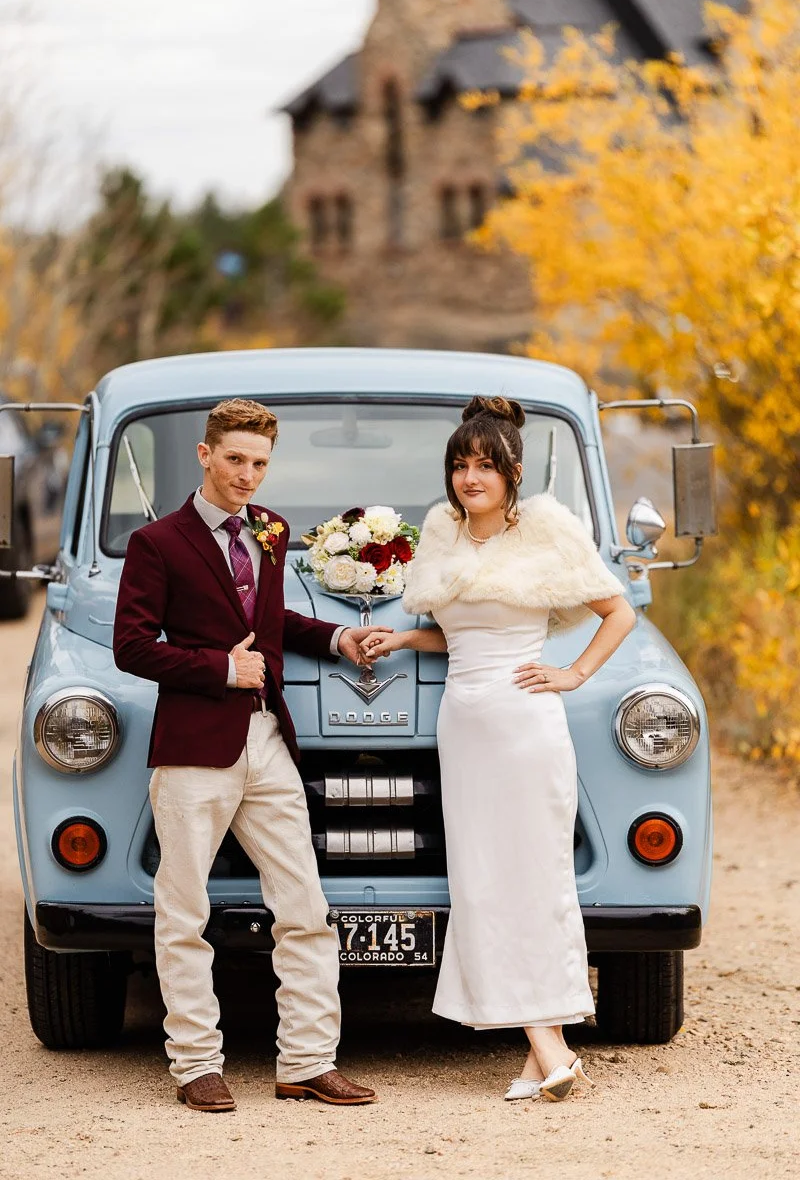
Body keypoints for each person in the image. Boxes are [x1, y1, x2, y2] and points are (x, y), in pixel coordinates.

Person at [114, 398, 384, 1112]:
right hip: (195, 748)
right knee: (183, 912)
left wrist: (333, 638)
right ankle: (196, 1064)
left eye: (260, 463)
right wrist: (217, 669)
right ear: (205, 455)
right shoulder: (158, 543)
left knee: (305, 906)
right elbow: (133, 646)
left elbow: (268, 622)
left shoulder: (270, 531)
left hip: (266, 739)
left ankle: (306, 1061)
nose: (247, 475)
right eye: (235, 459)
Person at [364, 396, 636, 1103]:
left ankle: (546, 1045)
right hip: (465, 722)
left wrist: (573, 674)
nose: (469, 477)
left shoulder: (546, 531)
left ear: (512, 470)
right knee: (482, 882)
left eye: (484, 464)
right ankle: (543, 1053)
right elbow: (458, 634)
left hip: (524, 723)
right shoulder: (442, 533)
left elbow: (619, 610)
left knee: (534, 879)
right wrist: (402, 638)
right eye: (459, 465)